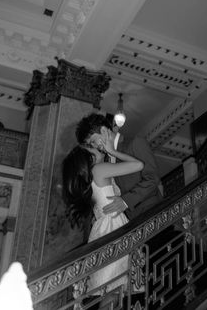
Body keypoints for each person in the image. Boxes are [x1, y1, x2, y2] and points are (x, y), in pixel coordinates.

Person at [62, 131, 144, 308]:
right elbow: (138, 165)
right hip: (112, 227)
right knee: (114, 287)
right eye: (92, 147)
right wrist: (112, 151)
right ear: (89, 158)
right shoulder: (98, 169)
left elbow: (111, 179)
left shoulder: (93, 175)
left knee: (111, 289)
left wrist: (110, 153)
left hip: (104, 228)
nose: (97, 147)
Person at [75, 113, 162, 221]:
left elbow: (153, 178)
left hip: (152, 212)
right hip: (128, 220)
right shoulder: (104, 160)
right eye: (91, 145)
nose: (94, 146)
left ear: (103, 130)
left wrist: (126, 201)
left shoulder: (135, 142)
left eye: (93, 141)